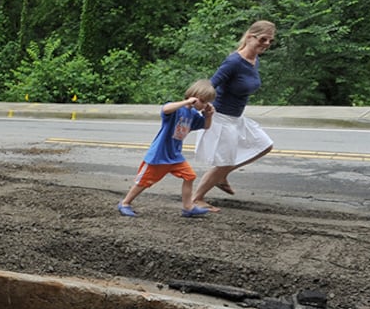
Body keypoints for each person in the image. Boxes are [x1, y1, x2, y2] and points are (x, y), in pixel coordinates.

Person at [189, 20, 276, 211]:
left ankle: (221, 176)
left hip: (236, 119)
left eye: (270, 41)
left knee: (264, 145)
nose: (267, 44)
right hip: (221, 117)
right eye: (263, 39)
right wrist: (199, 105)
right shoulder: (234, 62)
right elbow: (212, 84)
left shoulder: (254, 60)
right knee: (225, 162)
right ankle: (196, 199)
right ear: (250, 36)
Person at [117, 79, 216, 218]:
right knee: (144, 182)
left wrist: (208, 116)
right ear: (193, 97)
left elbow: (205, 126)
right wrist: (186, 102)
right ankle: (125, 203)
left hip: (175, 156)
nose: (204, 105)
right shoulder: (177, 109)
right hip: (159, 155)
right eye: (203, 101)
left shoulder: (193, 115)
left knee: (190, 176)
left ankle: (188, 207)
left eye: (207, 102)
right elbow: (165, 109)